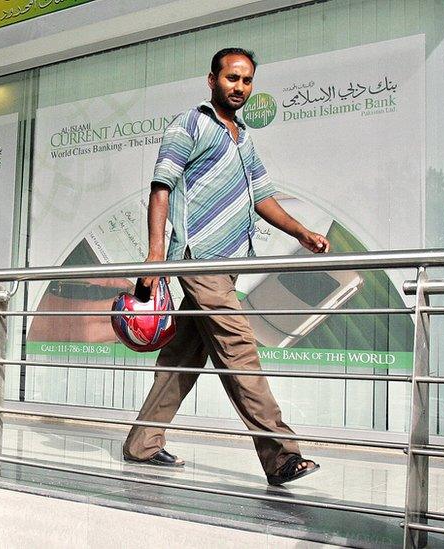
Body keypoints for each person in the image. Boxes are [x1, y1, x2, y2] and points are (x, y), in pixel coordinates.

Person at [122, 48, 330, 486]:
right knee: (240, 351)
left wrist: (302, 233)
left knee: (184, 355)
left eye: (247, 80)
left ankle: (141, 443)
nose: (240, 87)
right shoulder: (190, 124)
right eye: (232, 78)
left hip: (229, 261)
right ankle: (281, 457)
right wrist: (155, 256)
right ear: (212, 79)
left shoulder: (244, 137)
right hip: (200, 258)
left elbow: (262, 198)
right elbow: (162, 187)